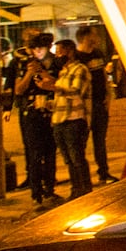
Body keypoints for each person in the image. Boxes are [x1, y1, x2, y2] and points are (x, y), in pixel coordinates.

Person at [8, 31, 60, 208]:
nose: (38, 52)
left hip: (51, 112)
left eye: (41, 48)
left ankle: (50, 189)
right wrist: (30, 74)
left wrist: (44, 73)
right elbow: (18, 90)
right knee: (34, 154)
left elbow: (59, 84)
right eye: (34, 48)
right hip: (31, 114)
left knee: (51, 152)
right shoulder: (23, 64)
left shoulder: (56, 62)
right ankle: (36, 193)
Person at [38, 38, 93, 200]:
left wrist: (53, 86)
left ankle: (84, 189)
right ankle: (75, 189)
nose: (57, 55)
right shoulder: (64, 71)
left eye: (60, 51)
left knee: (77, 157)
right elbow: (61, 94)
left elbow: (75, 91)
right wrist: (50, 103)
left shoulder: (80, 69)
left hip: (74, 119)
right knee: (68, 158)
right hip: (59, 119)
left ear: (70, 51)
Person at [76, 27, 117, 182]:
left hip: (100, 103)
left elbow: (103, 75)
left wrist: (108, 95)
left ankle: (103, 172)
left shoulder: (98, 54)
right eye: (94, 34)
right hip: (85, 106)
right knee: (82, 141)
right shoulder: (77, 57)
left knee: (100, 140)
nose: (97, 37)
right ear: (86, 37)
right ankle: (82, 177)